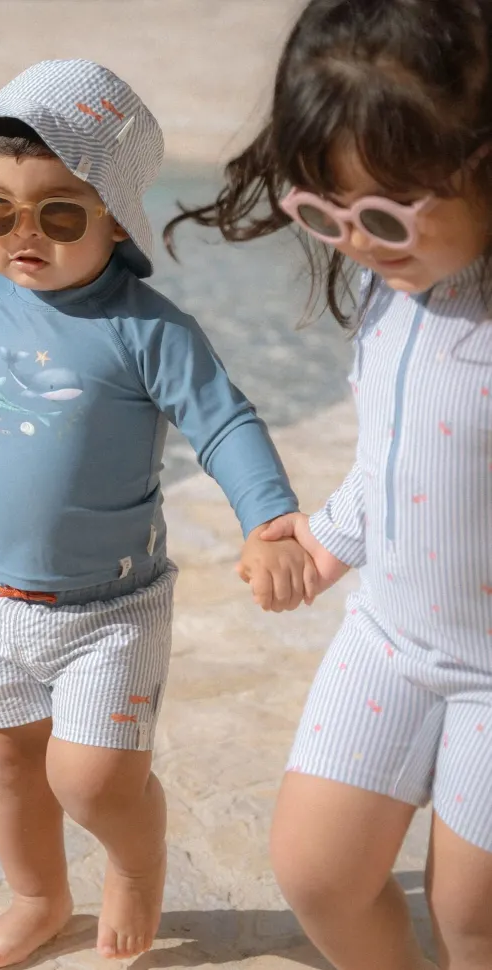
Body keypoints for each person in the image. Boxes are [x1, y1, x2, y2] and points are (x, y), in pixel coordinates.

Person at [0, 58, 312, 967]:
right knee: (6, 764)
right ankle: (38, 896)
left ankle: (136, 863)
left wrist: (268, 520)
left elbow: (224, 421)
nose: (23, 235)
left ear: (114, 220)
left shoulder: (148, 330)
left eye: (59, 214)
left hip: (109, 611)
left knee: (93, 781)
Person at [165, 2, 492, 968]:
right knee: (317, 870)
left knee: (472, 913)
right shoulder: (398, 289)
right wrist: (325, 539)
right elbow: (401, 458)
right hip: (391, 636)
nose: (356, 243)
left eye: (386, 214)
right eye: (323, 212)